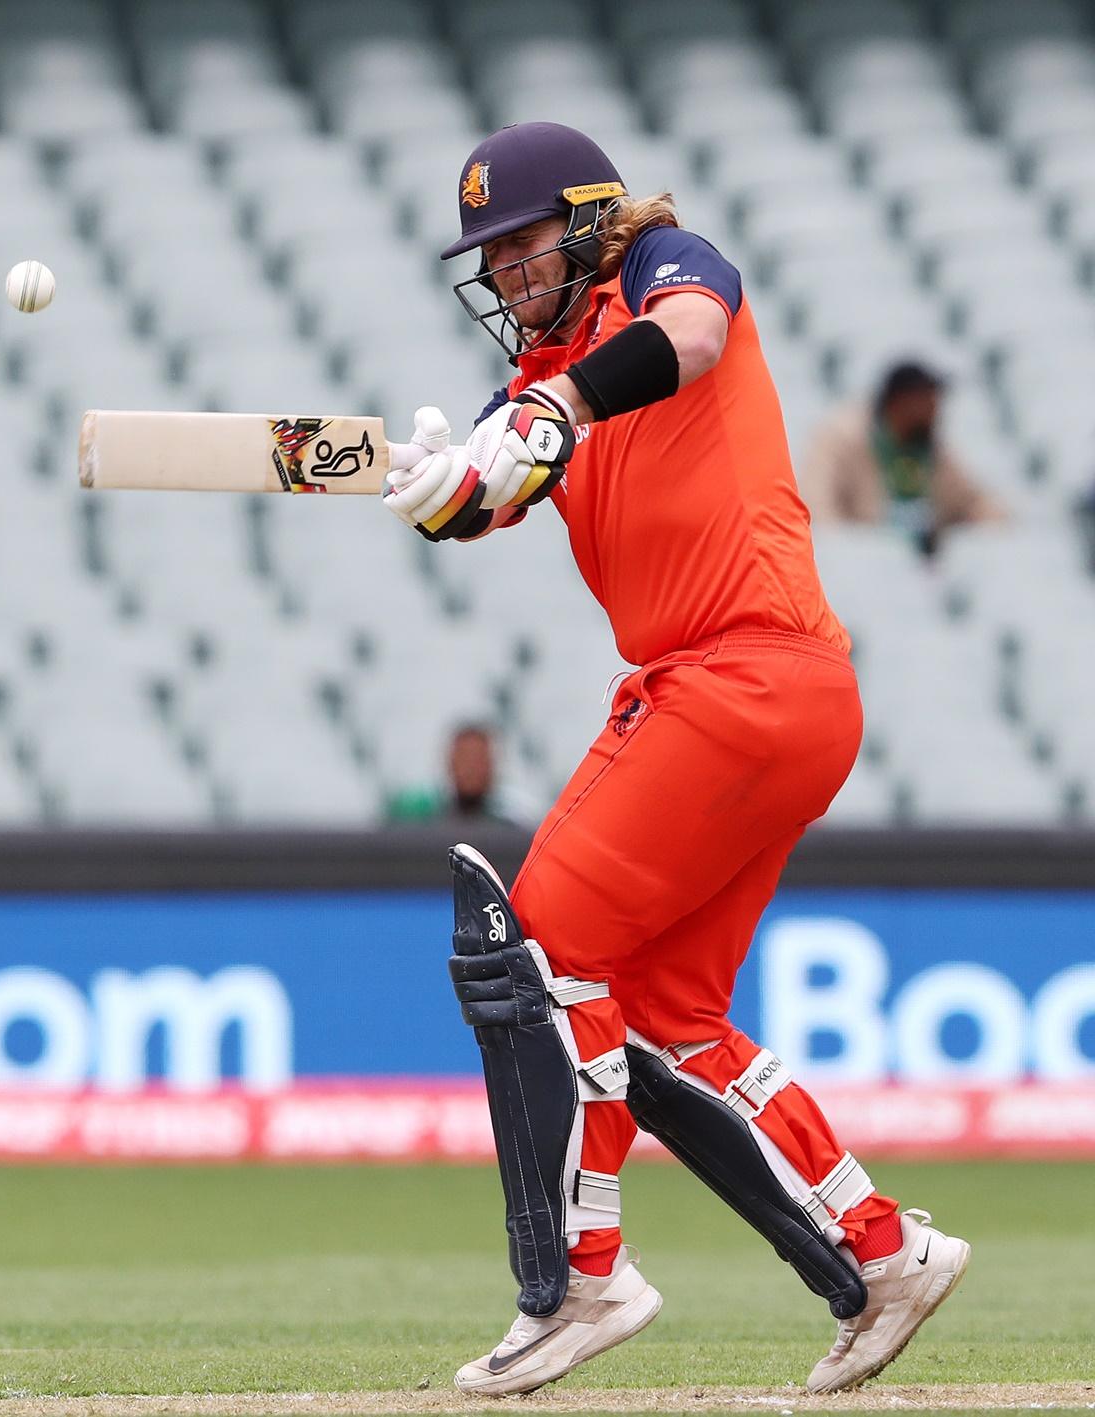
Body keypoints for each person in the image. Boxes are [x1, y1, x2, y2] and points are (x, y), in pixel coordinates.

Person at [381, 123, 970, 1397]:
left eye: (523, 247)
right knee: (659, 1015)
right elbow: (491, 490)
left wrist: (554, 405)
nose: (506, 277)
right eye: (491, 259)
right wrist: (445, 482)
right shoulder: (547, 366)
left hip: (736, 673)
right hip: (772, 691)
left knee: (532, 952)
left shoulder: (664, 260)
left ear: (591, 222)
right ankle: (884, 1253)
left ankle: (583, 1281)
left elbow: (688, 341)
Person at [801, 361, 1005, 555]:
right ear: (899, 402)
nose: (935, 411)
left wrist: (998, 527)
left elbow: (972, 501)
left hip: (923, 566)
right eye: (927, 401)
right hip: (864, 563)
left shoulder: (933, 449)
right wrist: (848, 552)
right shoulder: (841, 438)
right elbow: (817, 503)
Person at [385, 722, 527, 828]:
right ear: (450, 763)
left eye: (479, 759)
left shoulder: (511, 831)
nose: (471, 768)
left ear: (493, 765)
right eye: (464, 758)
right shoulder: (421, 828)